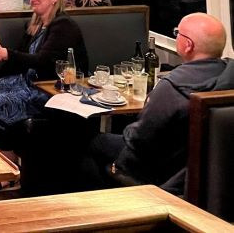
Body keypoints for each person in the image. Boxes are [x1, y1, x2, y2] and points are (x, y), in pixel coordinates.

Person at [82, 13, 233, 195]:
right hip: (204, 174)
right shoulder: (229, 78)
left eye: (177, 33)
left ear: (188, 45)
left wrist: (127, 132)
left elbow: (140, 138)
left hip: (159, 170)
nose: (176, 36)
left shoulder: (173, 86)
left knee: (93, 143)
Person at [0, 0, 88, 149]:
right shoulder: (35, 26)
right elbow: (19, 58)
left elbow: (43, 61)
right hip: (28, 82)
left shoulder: (64, 25)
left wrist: (4, 53)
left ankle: (5, 152)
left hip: (50, 88)